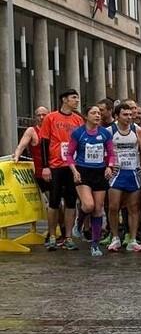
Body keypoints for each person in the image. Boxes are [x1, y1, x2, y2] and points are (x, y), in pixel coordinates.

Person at [65, 104, 116, 257]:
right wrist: (74, 171)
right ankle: (79, 223)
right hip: (83, 172)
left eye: (99, 113)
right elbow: (69, 155)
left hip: (100, 172)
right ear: (86, 116)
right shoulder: (78, 133)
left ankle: (95, 244)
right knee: (88, 205)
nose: (97, 115)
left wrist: (110, 167)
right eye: (93, 113)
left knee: (98, 209)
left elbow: (111, 153)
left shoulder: (105, 134)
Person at [40, 89, 83, 250]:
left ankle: (68, 237)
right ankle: (52, 235)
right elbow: (44, 142)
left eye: (77, 98)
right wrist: (46, 167)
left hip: (72, 166)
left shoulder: (78, 120)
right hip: (56, 165)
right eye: (73, 98)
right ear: (64, 99)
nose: (76, 101)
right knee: (54, 201)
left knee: (71, 202)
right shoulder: (51, 117)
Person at [107, 101, 141, 252]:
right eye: (125, 115)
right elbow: (105, 150)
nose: (129, 117)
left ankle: (133, 239)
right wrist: (109, 165)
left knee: (134, 207)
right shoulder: (110, 130)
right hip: (117, 173)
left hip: (133, 171)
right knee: (113, 206)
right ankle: (115, 237)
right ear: (117, 116)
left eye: (130, 114)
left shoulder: (137, 130)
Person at [13, 106, 49, 196]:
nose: (41, 117)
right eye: (38, 115)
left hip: (57, 170)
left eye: (44, 115)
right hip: (42, 173)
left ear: (49, 115)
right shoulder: (31, 131)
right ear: (35, 117)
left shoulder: (54, 130)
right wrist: (16, 156)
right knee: (52, 202)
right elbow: (21, 146)